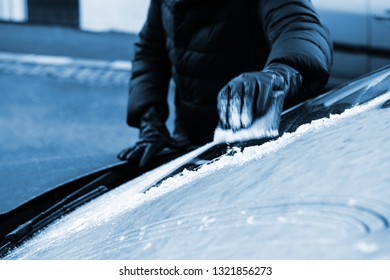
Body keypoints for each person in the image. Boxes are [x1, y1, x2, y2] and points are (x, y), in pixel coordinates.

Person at [118, 0, 333, 167]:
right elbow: (150, 52)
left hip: (258, 147)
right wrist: (150, 122)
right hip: (190, 146)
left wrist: (280, 73)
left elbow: (300, 27)